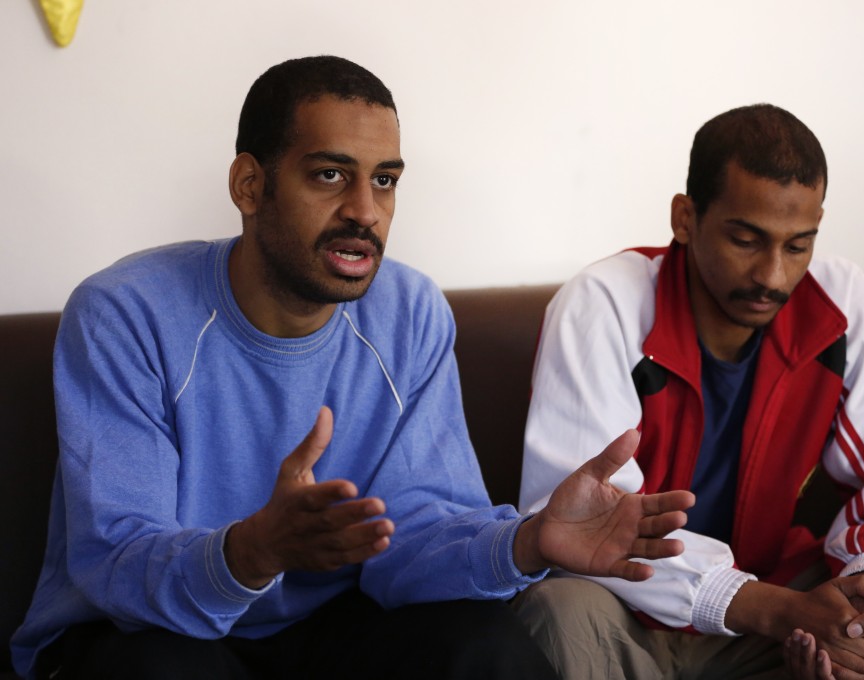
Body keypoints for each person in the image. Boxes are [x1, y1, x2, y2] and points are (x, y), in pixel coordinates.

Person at [9, 55, 696, 680]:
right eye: (330, 174)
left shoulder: (410, 311)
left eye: (385, 181)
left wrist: (525, 542)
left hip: (327, 626)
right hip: (142, 634)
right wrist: (251, 551)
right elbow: (117, 563)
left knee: (484, 645)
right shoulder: (125, 313)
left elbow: (415, 534)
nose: (365, 211)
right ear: (250, 185)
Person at [513, 104, 864, 679]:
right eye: (746, 240)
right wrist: (774, 609)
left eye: (798, 246)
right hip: (629, 618)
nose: (773, 275)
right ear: (685, 218)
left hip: (776, 611)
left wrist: (859, 608)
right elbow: (584, 527)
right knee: (560, 608)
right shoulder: (603, 305)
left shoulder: (840, 303)